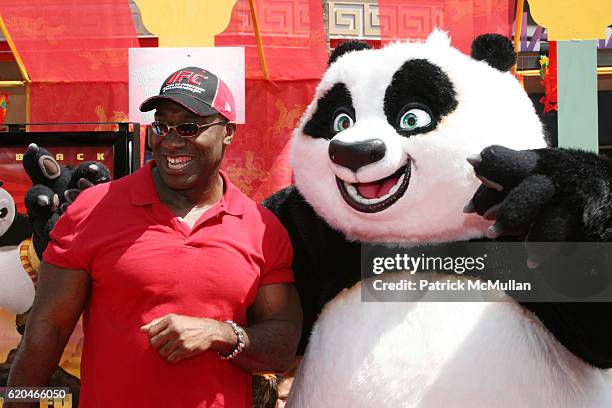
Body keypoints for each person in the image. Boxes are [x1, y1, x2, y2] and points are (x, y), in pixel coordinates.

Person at [7, 67, 302, 408]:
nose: (171, 141)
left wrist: (220, 333)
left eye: (189, 127)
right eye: (162, 126)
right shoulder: (92, 211)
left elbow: (281, 346)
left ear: (228, 132)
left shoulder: (261, 228)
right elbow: (46, 333)